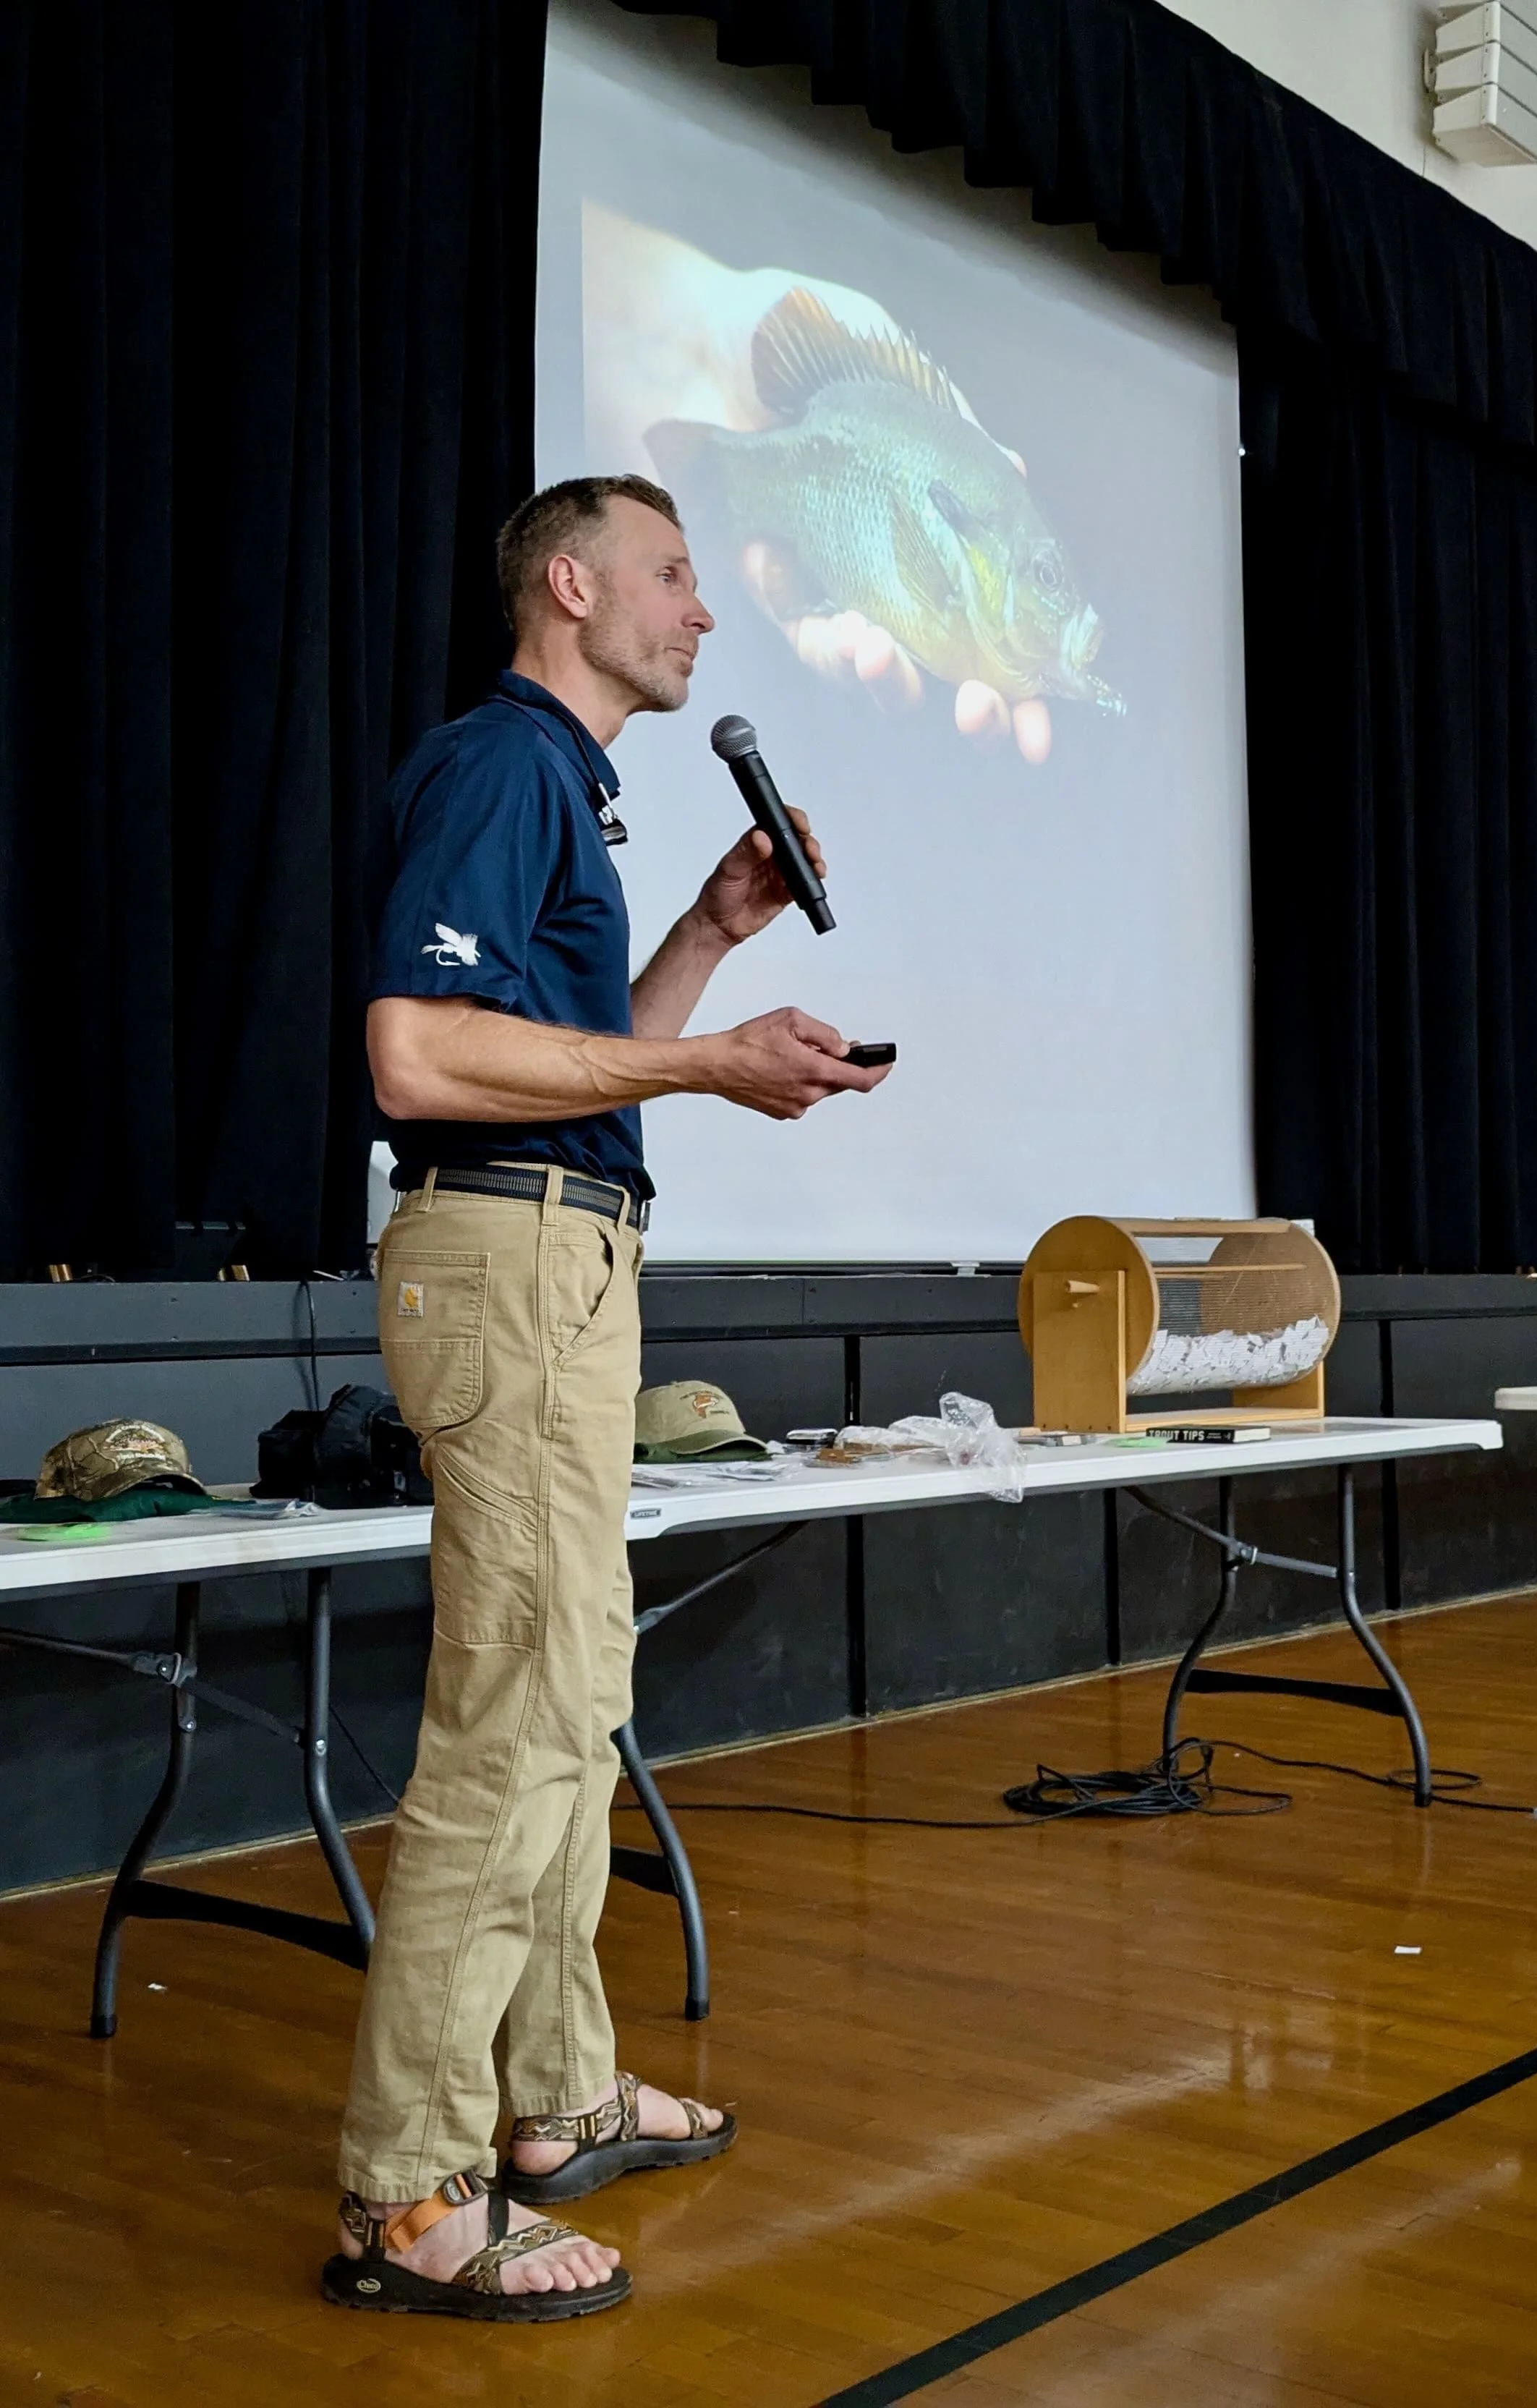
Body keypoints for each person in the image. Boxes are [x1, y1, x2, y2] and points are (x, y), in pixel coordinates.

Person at [322, 472, 888, 2323]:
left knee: (575, 1688)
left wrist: (711, 943)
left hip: (560, 1246)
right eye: (670, 577)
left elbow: (567, 1067)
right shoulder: (501, 763)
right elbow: (418, 1054)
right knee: (513, 1716)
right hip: (506, 1261)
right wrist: (716, 1060)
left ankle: (556, 2096)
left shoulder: (566, 787)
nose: (701, 613)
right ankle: (409, 2180)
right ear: (568, 585)